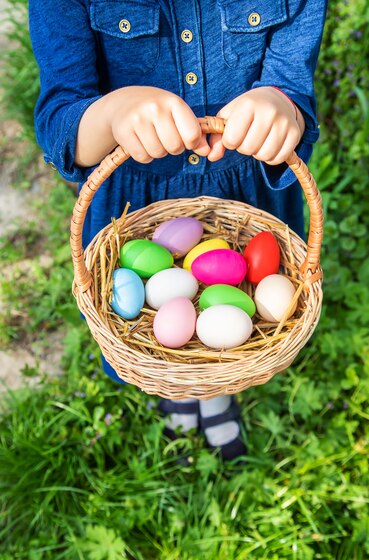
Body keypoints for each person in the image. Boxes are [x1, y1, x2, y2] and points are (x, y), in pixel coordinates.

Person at [29, 0, 327, 460]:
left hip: (246, 209)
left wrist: (279, 104)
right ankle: (178, 390)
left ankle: (216, 390)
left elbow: (293, 90)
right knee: (161, 326)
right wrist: (112, 114)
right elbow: (59, 126)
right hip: (132, 207)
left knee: (235, 324)